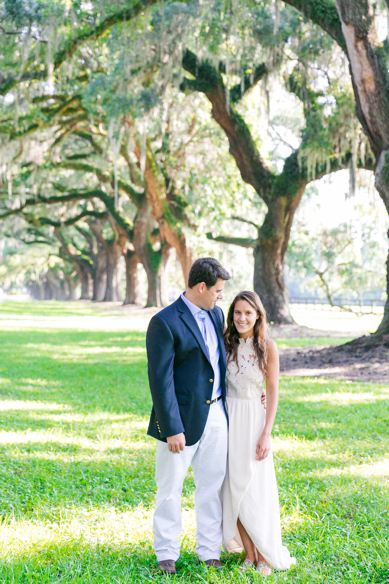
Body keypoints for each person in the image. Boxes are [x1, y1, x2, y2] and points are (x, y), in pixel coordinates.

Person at [146, 257, 231, 575]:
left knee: (212, 485)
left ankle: (209, 550)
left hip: (217, 415)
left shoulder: (217, 314)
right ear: (201, 287)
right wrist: (171, 428)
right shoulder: (164, 322)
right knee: (170, 488)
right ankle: (166, 553)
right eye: (218, 290)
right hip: (179, 422)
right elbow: (160, 380)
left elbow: (218, 363)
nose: (221, 296)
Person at [222, 291, 296, 575]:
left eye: (248, 313)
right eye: (237, 313)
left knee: (256, 489)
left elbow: (274, 391)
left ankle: (265, 555)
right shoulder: (225, 344)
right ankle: (249, 556)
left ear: (258, 316)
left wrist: (267, 432)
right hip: (229, 420)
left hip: (254, 420)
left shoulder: (268, 347)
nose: (242, 318)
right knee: (234, 488)